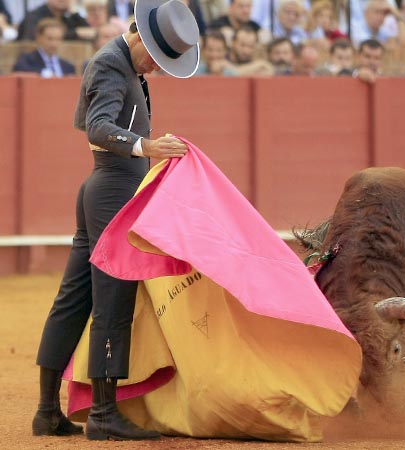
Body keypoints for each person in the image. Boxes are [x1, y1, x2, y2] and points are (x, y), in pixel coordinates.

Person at [32, 0, 200, 441]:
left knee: (75, 297)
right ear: (142, 39)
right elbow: (97, 127)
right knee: (113, 298)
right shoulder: (111, 64)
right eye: (157, 58)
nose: (158, 69)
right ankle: (104, 413)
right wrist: (146, 148)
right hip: (113, 192)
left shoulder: (121, 65)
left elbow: (90, 122)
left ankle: (47, 411)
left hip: (106, 187)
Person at [12, 18, 77, 77]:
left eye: (58, 39)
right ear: (39, 38)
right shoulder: (26, 61)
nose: (54, 44)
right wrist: (44, 73)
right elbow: (19, 72)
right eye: (49, 39)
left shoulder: (68, 67)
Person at [18, 0, 90, 41]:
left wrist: (74, 12)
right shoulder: (35, 16)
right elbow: (33, 38)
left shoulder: (69, 18)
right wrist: (75, 33)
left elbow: (89, 32)